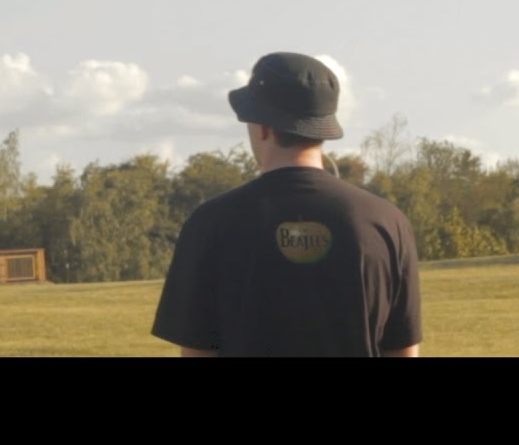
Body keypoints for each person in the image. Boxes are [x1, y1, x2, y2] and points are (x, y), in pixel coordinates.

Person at [152, 52, 422, 357]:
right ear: (322, 127)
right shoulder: (387, 222)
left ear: (263, 126)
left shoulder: (211, 222)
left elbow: (198, 352)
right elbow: (403, 350)